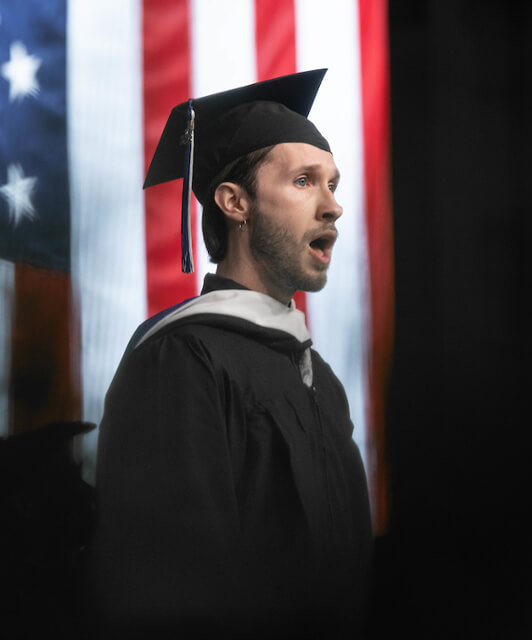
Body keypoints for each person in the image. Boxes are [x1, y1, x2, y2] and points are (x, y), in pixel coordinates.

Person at [87, 70, 372, 638]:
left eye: (333, 184)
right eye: (303, 181)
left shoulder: (323, 381)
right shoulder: (182, 359)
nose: (332, 206)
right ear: (234, 202)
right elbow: (172, 589)